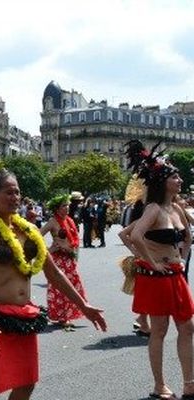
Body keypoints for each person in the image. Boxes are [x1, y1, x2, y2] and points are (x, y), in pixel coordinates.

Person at [0, 161, 106, 400]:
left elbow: (54, 273)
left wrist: (83, 305)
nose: (16, 196)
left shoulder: (30, 231)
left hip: (23, 317)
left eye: (17, 191)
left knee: (26, 383)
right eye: (9, 192)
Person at [123, 140, 194, 400]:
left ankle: (189, 384)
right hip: (156, 279)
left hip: (176, 276)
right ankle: (159, 385)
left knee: (188, 328)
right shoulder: (152, 208)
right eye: (175, 176)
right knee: (160, 330)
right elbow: (133, 236)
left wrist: (183, 259)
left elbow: (188, 238)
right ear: (163, 181)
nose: (180, 180)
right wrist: (151, 262)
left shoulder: (176, 208)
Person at [39, 194, 87, 332]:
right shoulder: (53, 222)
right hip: (58, 260)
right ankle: (63, 317)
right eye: (63, 206)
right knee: (60, 287)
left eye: (67, 205)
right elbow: (37, 235)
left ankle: (68, 315)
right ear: (57, 209)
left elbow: (75, 241)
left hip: (69, 258)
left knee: (73, 284)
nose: (67, 207)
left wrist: (74, 254)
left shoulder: (70, 220)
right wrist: (49, 249)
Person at [117, 177, 150, 337]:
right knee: (147, 293)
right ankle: (143, 321)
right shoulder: (144, 215)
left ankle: (142, 320)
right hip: (146, 260)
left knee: (145, 293)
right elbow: (123, 234)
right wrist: (136, 251)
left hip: (146, 258)